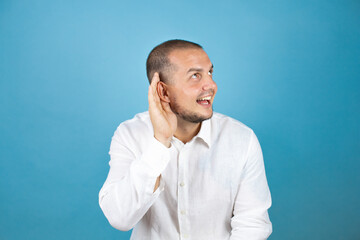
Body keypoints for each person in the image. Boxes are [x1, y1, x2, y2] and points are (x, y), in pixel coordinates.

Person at [99, 39, 272, 240]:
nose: (211, 85)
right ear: (163, 91)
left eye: (210, 73)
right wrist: (160, 142)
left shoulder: (242, 139)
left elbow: (252, 224)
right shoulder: (130, 134)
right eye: (195, 76)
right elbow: (120, 218)